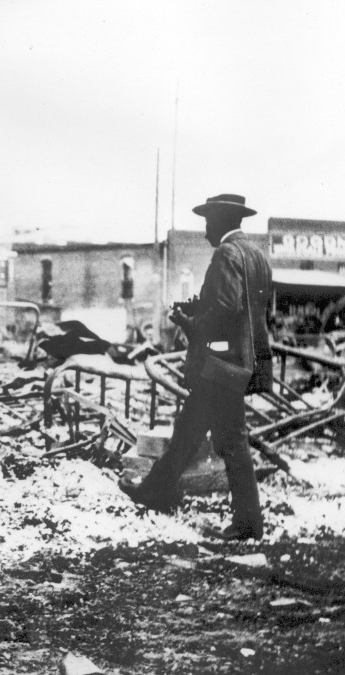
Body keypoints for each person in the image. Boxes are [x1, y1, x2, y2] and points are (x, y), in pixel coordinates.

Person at [121, 193, 272, 541]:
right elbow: (255, 313)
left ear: (220, 220)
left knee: (230, 439)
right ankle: (155, 491)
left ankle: (248, 523)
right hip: (241, 362)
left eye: (207, 222)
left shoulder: (226, 253)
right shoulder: (258, 256)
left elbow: (225, 308)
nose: (205, 230)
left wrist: (191, 322)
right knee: (189, 429)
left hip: (220, 365)